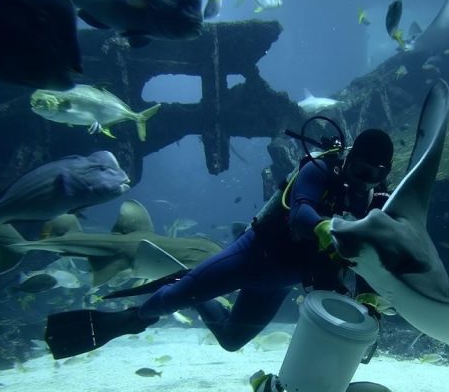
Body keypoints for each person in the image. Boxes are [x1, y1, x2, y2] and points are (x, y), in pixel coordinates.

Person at [44, 128, 394, 359]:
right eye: (361, 171)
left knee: (231, 340)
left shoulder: (376, 199)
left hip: (281, 281)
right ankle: (132, 318)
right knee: (169, 301)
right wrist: (322, 227)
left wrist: (368, 296)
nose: (365, 181)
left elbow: (372, 253)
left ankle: (195, 290)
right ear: (349, 159)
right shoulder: (320, 169)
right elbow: (300, 210)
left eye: (375, 175)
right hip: (253, 256)